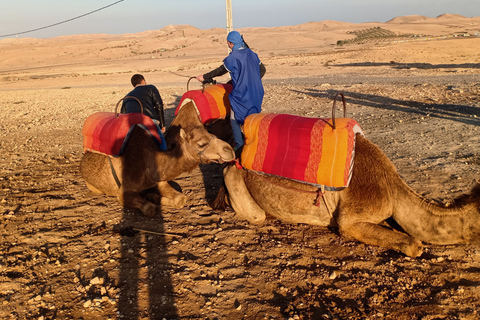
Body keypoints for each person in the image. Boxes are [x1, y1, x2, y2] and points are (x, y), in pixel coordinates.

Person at [196, 31, 266, 152]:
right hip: (257, 92)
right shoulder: (251, 53)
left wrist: (204, 76)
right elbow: (263, 70)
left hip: (242, 95)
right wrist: (251, 81)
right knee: (253, 118)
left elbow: (221, 70)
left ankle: (239, 144)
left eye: (228, 43)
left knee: (234, 119)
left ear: (230, 43)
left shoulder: (233, 57)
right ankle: (256, 142)